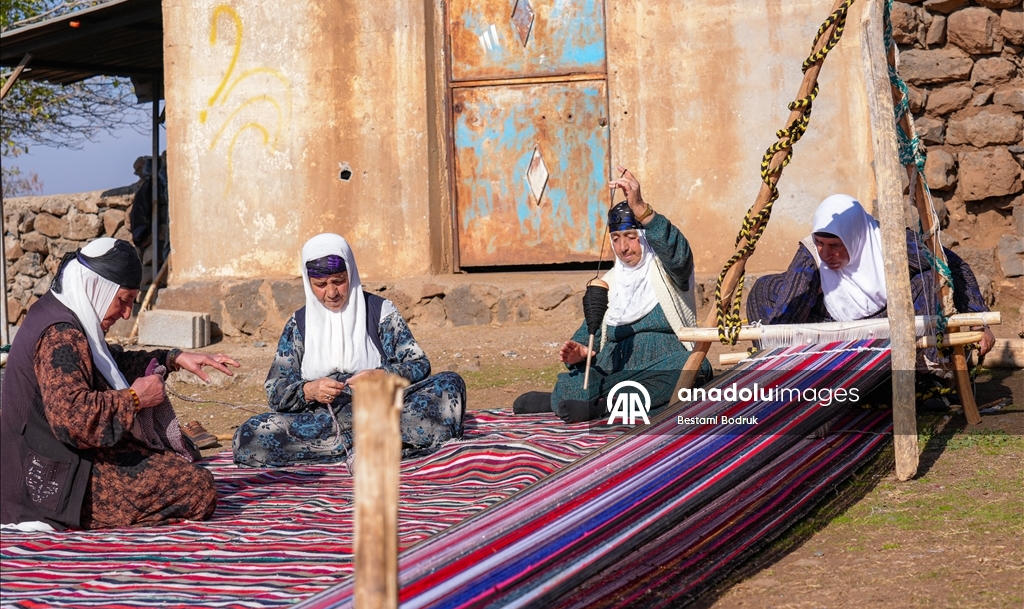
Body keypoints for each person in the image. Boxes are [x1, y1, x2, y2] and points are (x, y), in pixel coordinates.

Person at [0, 239, 239, 531]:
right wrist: (135, 399)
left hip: (61, 462)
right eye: (123, 300)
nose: (126, 314)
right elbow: (72, 419)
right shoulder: (60, 334)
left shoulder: (61, 314)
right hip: (51, 483)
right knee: (197, 488)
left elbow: (111, 362)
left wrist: (174, 357)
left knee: (180, 461)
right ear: (98, 287)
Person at [232, 233, 466, 467]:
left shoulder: (380, 310)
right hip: (322, 421)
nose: (331, 293)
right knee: (249, 436)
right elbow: (276, 389)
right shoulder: (299, 324)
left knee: (449, 385)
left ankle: (355, 447)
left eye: (338, 281)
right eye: (321, 285)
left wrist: (383, 376)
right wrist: (309, 390)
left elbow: (418, 363)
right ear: (308, 282)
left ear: (350, 273)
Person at [514, 168, 712, 423]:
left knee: (692, 367)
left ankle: (599, 404)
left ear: (644, 238)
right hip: (616, 363)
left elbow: (679, 254)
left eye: (631, 237)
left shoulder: (669, 271)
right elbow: (591, 334)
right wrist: (580, 352)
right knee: (581, 380)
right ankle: (580, 399)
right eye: (616, 239)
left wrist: (641, 208)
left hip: (663, 359)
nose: (623, 247)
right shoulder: (608, 283)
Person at [747, 194, 995, 358]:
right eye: (820, 243)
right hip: (834, 330)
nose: (826, 253)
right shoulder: (811, 256)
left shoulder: (891, 244)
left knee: (931, 280)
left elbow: (951, 264)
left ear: (855, 238)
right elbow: (787, 314)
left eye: (835, 245)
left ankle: (923, 373)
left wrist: (977, 321)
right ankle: (793, 373)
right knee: (765, 287)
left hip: (891, 327)